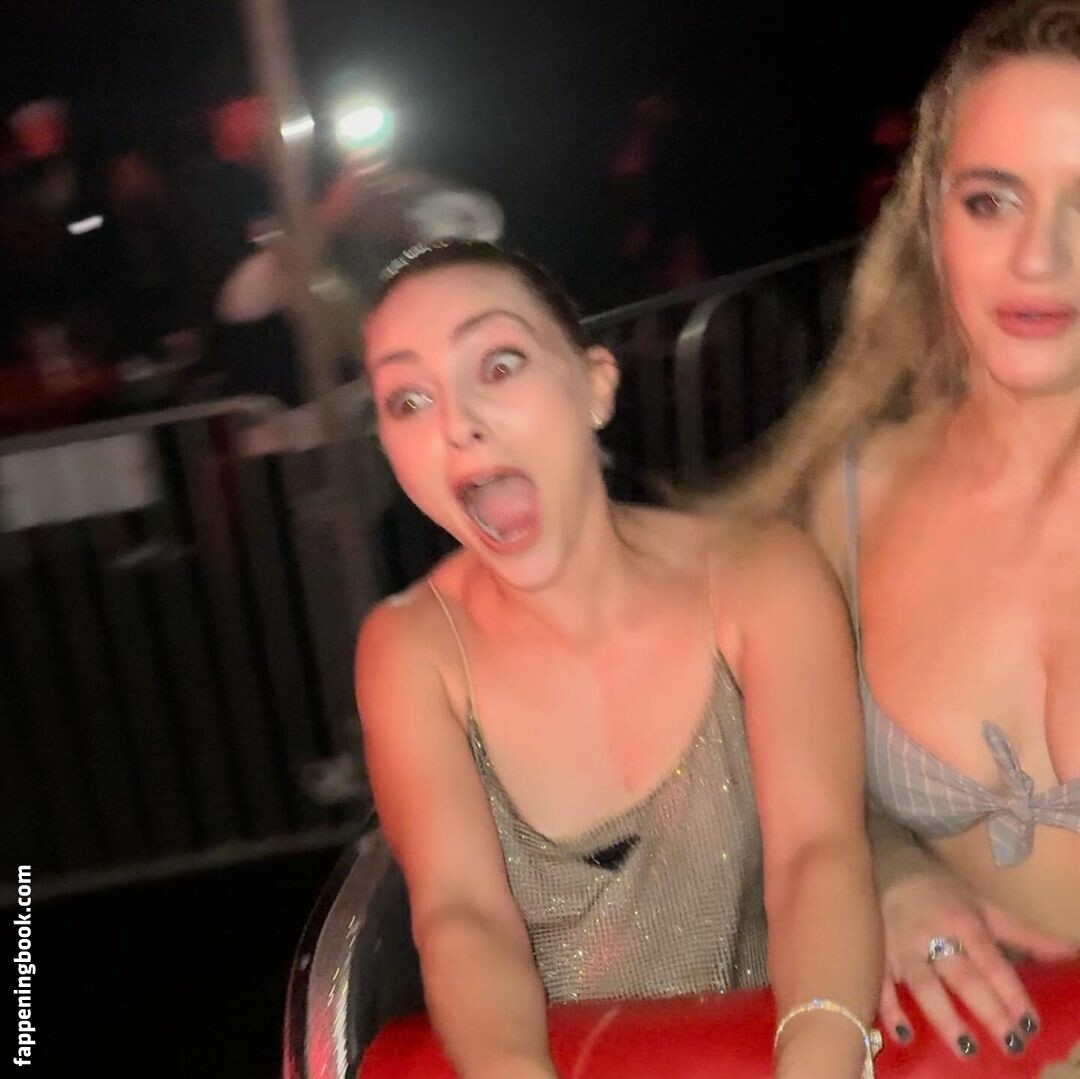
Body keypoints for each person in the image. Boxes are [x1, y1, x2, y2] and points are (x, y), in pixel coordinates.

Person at [354, 240, 881, 1078]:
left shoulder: (763, 578)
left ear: (596, 384)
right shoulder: (411, 649)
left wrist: (818, 1060)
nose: (457, 423)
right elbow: (462, 917)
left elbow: (817, 856)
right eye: (408, 398)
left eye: (498, 364)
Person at [725, 0, 1080, 1063]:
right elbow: (795, 785)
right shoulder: (848, 498)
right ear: (930, 217)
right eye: (991, 200)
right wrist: (886, 873)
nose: (1039, 257)